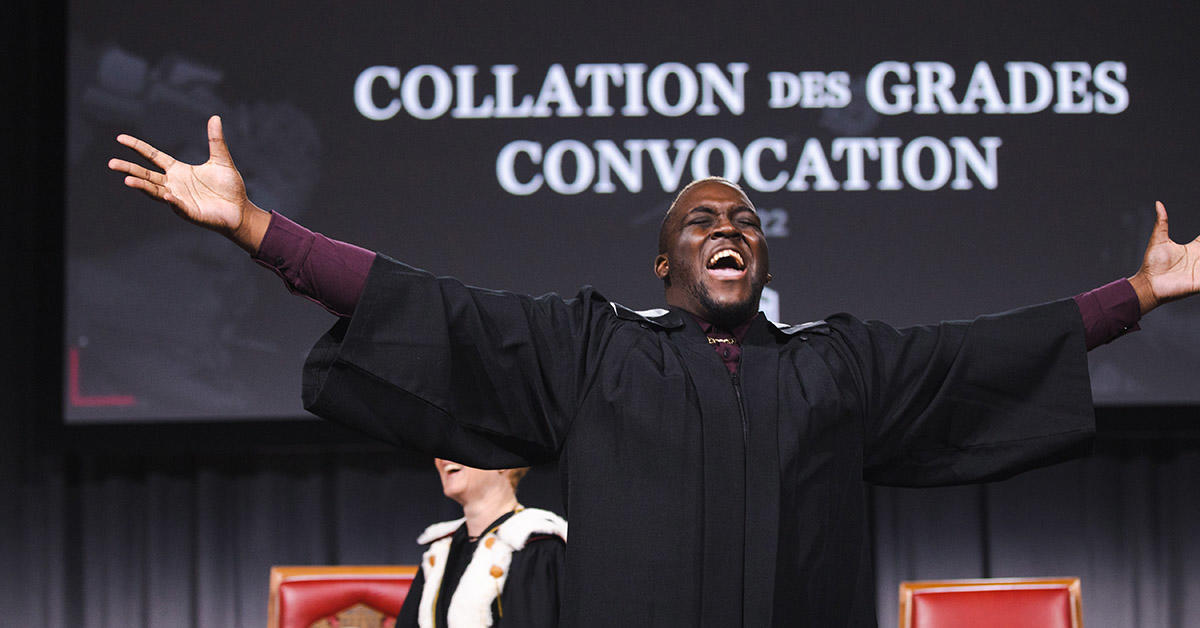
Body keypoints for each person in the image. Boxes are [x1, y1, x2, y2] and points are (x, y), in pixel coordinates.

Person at [109, 116, 1200, 627]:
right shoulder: (596, 352)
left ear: (762, 254)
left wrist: (1139, 295)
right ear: (666, 259)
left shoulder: (838, 367)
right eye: (700, 220)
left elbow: (984, 355)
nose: (729, 228)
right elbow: (429, 306)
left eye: (746, 219)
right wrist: (257, 226)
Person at [395, 460, 566, 627]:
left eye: (459, 446)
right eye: (440, 451)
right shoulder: (440, 550)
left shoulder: (538, 547)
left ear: (502, 462)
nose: (442, 459)